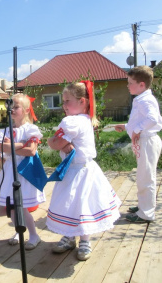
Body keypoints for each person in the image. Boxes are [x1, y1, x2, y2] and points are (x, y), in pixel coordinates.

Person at [46, 81, 121, 261]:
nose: (63, 105)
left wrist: (52, 141)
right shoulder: (85, 118)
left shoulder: (72, 121)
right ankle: (71, 237)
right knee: (74, 204)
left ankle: (82, 240)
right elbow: (62, 143)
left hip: (79, 172)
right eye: (63, 101)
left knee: (79, 205)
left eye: (67, 101)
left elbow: (56, 143)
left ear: (82, 101)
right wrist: (61, 143)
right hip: (81, 169)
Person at [0, 93, 45, 250]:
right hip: (9, 170)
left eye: (16, 107)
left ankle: (33, 235)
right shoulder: (6, 131)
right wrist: (19, 145)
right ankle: (19, 231)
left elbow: (31, 151)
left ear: (26, 110)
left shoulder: (31, 129)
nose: (12, 110)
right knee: (13, 206)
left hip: (24, 172)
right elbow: (2, 149)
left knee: (22, 206)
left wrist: (12, 147)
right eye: (10, 107)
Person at [115, 66, 162, 223]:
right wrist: (128, 127)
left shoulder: (145, 100)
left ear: (141, 84)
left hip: (147, 142)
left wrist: (136, 130)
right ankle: (144, 205)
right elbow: (141, 120)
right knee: (143, 176)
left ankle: (147, 213)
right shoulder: (142, 98)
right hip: (144, 141)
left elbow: (153, 119)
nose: (128, 86)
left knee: (146, 178)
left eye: (130, 83)